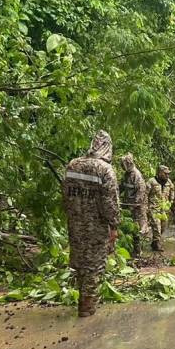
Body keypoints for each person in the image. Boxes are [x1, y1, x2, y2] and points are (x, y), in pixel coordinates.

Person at [61, 131, 120, 317]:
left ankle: (83, 298)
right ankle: (86, 306)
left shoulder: (73, 165)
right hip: (96, 225)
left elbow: (65, 195)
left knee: (80, 261)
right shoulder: (105, 170)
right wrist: (114, 225)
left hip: (75, 223)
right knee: (94, 265)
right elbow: (110, 203)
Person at [119, 153, 150, 258]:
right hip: (128, 206)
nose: (122, 167)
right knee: (128, 230)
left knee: (137, 230)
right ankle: (131, 250)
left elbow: (141, 192)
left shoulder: (137, 175)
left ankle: (138, 252)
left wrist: (133, 205)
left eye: (124, 164)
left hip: (137, 208)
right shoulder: (126, 175)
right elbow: (121, 187)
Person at [146, 165, 174, 252]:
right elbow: (145, 194)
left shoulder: (169, 183)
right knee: (156, 227)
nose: (167, 175)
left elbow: (172, 193)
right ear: (160, 173)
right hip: (153, 208)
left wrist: (171, 203)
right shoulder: (151, 182)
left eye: (168, 174)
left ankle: (155, 242)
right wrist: (146, 207)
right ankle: (158, 244)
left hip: (164, 209)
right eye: (165, 174)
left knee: (163, 227)